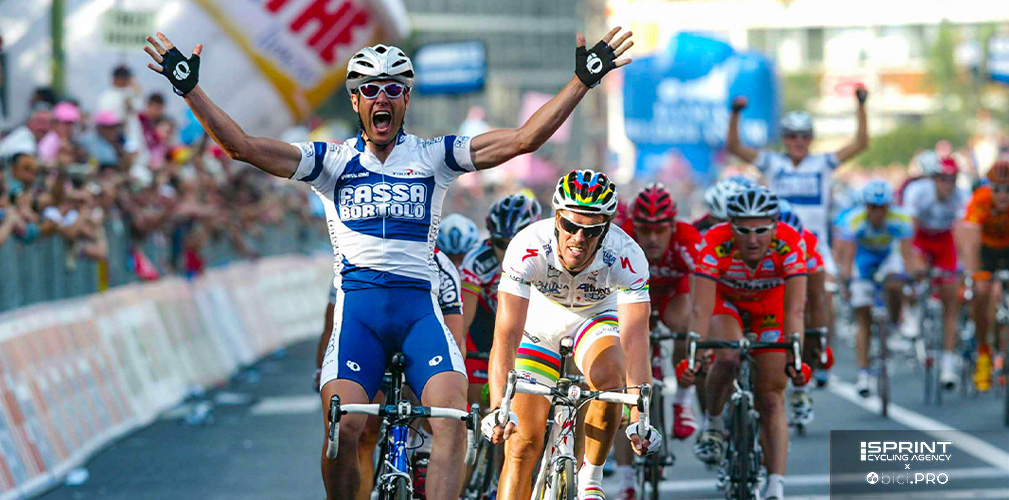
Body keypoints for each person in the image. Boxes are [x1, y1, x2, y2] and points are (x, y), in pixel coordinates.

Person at [145, 26, 633, 500]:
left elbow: (524, 139)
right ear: (356, 101)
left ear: (406, 100)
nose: (383, 97)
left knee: (452, 419)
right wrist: (190, 90)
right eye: (371, 89)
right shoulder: (331, 161)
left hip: (419, 312)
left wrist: (582, 81)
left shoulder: (434, 156)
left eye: (394, 89)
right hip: (360, 313)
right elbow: (243, 147)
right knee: (345, 422)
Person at [482, 170, 658, 500]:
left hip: (595, 318)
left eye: (591, 231)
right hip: (539, 324)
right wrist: (497, 406)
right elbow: (506, 335)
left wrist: (639, 416)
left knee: (610, 379)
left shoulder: (627, 256)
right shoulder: (527, 247)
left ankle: (591, 476)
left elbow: (636, 342)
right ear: (556, 217)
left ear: (606, 228)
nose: (579, 238)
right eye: (570, 226)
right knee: (522, 445)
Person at [689, 186, 810, 500]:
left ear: (775, 226)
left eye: (761, 230)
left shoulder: (790, 242)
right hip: (726, 303)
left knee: (770, 397)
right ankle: (713, 422)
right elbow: (701, 308)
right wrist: (696, 350)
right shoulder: (714, 241)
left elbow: (796, 309)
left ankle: (775, 486)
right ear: (730, 226)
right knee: (728, 356)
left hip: (770, 308)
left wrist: (795, 354)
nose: (753, 239)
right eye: (743, 230)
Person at [611, 182, 700, 499]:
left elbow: (703, 293)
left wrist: (700, 336)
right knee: (624, 394)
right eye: (645, 229)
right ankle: (626, 482)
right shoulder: (619, 238)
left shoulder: (688, 239)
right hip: (633, 300)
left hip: (673, 295)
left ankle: (682, 402)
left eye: (660, 229)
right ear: (634, 225)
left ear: (673, 226)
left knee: (685, 326)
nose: (651, 238)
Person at [835, 180, 917, 397]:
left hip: (888, 257)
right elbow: (848, 257)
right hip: (863, 260)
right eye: (873, 207)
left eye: (882, 207)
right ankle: (863, 374)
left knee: (895, 283)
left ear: (889, 206)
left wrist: (910, 279)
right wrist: (847, 282)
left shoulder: (901, 219)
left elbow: (907, 255)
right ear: (866, 206)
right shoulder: (854, 220)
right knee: (863, 317)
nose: (877, 212)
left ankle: (895, 323)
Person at [460, 193, 541, 403]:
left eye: (516, 242)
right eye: (501, 243)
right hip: (485, 329)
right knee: (476, 398)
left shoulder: (545, 258)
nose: (508, 250)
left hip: (529, 329)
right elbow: (462, 322)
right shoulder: (477, 261)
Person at [901, 155, 970, 390]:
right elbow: (909, 230)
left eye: (952, 180)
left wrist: (963, 266)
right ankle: (913, 309)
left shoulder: (962, 196)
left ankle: (948, 364)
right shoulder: (918, 192)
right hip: (921, 237)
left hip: (944, 240)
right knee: (916, 271)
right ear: (933, 179)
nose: (947, 185)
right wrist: (912, 263)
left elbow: (962, 234)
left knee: (951, 299)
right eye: (942, 179)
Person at [958, 160, 1009, 392]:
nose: (1002, 195)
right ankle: (984, 353)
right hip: (986, 251)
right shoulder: (980, 200)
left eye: (1008, 190)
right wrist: (972, 275)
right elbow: (970, 242)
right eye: (997, 189)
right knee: (984, 293)